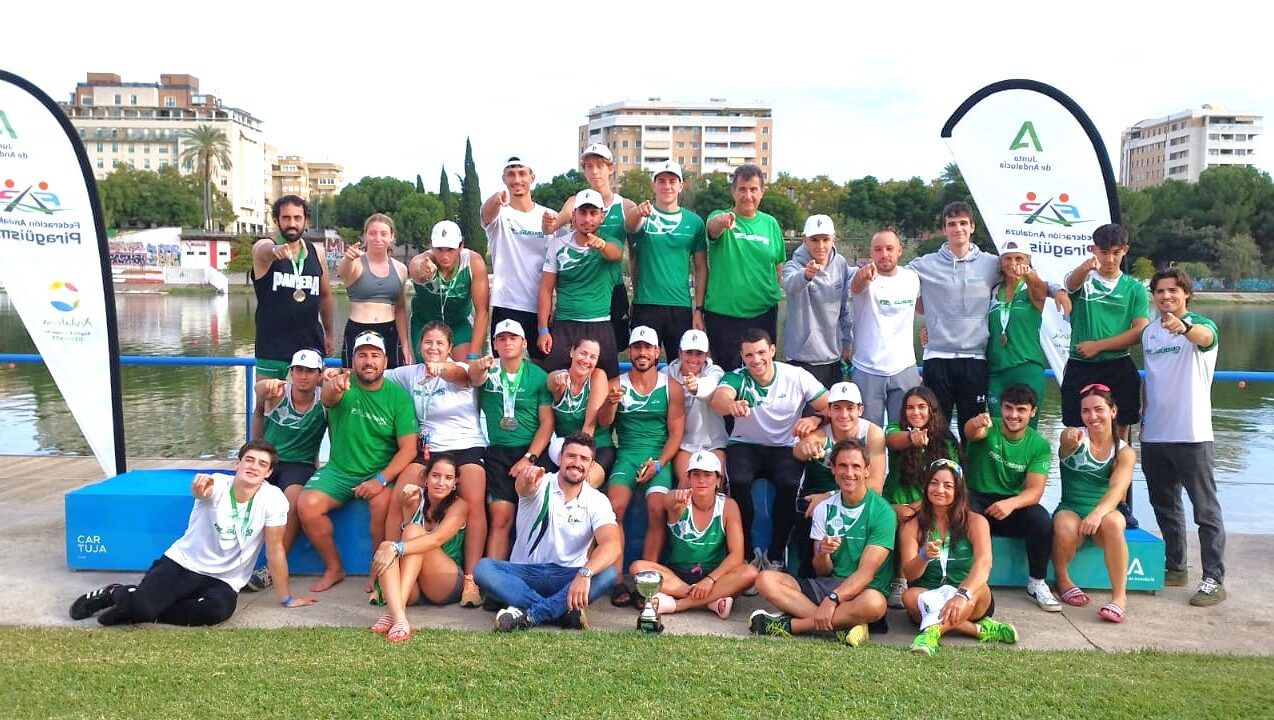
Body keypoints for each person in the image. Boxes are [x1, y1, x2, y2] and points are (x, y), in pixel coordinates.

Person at [69, 441, 315, 626]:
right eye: (249, 460)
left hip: (225, 578)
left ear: (269, 473)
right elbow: (203, 490)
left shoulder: (274, 499)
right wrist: (199, 488)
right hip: (184, 564)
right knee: (145, 606)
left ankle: (140, 608)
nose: (254, 467)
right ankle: (115, 592)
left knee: (217, 612)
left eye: (262, 464)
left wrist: (286, 598)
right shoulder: (218, 484)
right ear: (237, 464)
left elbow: (275, 549)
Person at [297, 331, 416, 592]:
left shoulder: (398, 397)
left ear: (385, 361)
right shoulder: (343, 384)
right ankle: (333, 567)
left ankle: (378, 571)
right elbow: (329, 397)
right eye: (362, 355)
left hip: (378, 472)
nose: (368, 361)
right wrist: (332, 387)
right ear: (352, 359)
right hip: (338, 470)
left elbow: (408, 449)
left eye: (375, 355)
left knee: (381, 510)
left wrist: (380, 480)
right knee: (307, 505)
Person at [748, 440, 894, 646]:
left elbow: (866, 573)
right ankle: (847, 625)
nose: (849, 473)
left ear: (867, 470)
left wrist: (833, 599)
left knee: (875, 603)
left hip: (863, 589)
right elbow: (822, 571)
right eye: (842, 466)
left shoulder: (882, 511)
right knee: (765, 580)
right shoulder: (823, 508)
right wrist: (822, 554)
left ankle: (790, 626)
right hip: (829, 585)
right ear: (832, 469)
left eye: (856, 466)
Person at [383, 322, 488, 608]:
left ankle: (470, 579)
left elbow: (464, 376)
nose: (433, 348)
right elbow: (375, 375)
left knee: (474, 500)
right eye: (428, 342)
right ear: (419, 345)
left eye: (440, 344)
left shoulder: (459, 370)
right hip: (430, 449)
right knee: (398, 495)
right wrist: (334, 376)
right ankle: (384, 567)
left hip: (465, 445)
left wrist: (442, 368)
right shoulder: (409, 374)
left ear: (449, 348)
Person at [473, 433, 622, 631]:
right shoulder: (541, 482)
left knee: (608, 574)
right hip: (526, 572)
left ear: (591, 465)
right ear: (560, 458)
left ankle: (531, 614)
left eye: (584, 459)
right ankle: (562, 611)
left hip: (568, 577)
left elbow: (612, 544)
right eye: (571, 456)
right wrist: (526, 479)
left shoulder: (597, 500)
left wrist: (585, 574)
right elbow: (524, 488)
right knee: (483, 569)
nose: (576, 463)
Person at [1141, 267, 1226, 606]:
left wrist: (1185, 326)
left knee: (1205, 510)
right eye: (1160, 291)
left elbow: (1206, 338)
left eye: (1173, 291)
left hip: (1193, 434)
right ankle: (1176, 567)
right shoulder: (1149, 333)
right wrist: (1144, 418)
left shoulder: (1202, 327)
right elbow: (1152, 379)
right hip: (1156, 435)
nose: (1166, 297)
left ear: (1186, 294)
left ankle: (1214, 578)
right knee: (1165, 505)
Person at [710, 328, 828, 571]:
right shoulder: (737, 377)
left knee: (789, 485)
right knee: (739, 481)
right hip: (745, 444)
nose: (756, 360)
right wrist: (732, 405)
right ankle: (745, 554)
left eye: (762, 352)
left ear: (773, 351)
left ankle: (776, 554)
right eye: (749, 355)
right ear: (742, 356)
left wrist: (814, 420)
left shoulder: (796, 376)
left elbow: (830, 405)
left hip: (783, 446)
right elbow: (718, 400)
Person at [598, 326, 685, 604]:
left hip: (658, 455)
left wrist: (659, 464)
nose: (642, 353)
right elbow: (604, 424)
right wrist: (610, 404)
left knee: (657, 508)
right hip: (628, 453)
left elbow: (676, 434)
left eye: (648, 348)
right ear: (630, 351)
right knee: (614, 510)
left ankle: (646, 581)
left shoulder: (671, 386)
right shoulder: (616, 383)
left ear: (657, 352)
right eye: (637, 347)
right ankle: (617, 580)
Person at [899, 459, 1017, 656]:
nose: (940, 490)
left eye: (948, 485)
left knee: (981, 587)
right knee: (908, 596)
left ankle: (932, 633)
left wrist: (961, 595)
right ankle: (979, 630)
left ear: (958, 491)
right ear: (926, 486)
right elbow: (909, 574)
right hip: (931, 593)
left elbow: (984, 562)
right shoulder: (912, 525)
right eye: (934, 483)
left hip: (967, 595)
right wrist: (923, 556)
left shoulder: (975, 521)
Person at [962, 384, 1060, 612]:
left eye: (1021, 410)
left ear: (1033, 412)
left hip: (1010, 504)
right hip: (977, 497)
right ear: (1001, 408)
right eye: (1008, 408)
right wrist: (975, 423)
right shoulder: (989, 426)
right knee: (962, 510)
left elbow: (1035, 492)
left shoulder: (1039, 445)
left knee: (1041, 519)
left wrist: (1011, 503)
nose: (1013, 415)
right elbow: (971, 432)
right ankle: (961, 577)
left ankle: (1037, 582)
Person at [908, 202, 1000, 438]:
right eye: (951, 224)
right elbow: (894, 282)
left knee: (975, 431)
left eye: (962, 223)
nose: (957, 228)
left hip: (975, 360)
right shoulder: (925, 264)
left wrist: (1058, 290)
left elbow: (1023, 271)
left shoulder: (991, 264)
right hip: (938, 358)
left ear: (972, 227)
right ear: (944, 230)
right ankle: (937, 474)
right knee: (935, 431)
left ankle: (968, 476)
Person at [629, 451, 757, 619]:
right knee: (637, 568)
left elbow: (737, 555)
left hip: (715, 576)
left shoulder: (728, 506)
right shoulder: (679, 500)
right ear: (688, 478)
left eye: (708, 475)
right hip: (678, 577)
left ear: (718, 480)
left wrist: (710, 580)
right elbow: (668, 502)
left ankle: (678, 604)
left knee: (750, 573)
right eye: (696, 475)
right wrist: (675, 498)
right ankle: (711, 600)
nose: (701, 480)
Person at [467, 319, 553, 561]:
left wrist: (529, 458)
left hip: (530, 451)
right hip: (498, 453)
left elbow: (547, 423)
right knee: (500, 518)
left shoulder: (538, 375)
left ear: (524, 343)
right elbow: (470, 377)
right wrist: (478, 365)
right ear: (494, 343)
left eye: (513, 338)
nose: (507, 343)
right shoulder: (486, 371)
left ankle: (534, 574)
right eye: (501, 338)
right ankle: (495, 583)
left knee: (536, 517)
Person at [243, 348, 328, 592]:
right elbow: (259, 395)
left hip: (299, 464)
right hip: (268, 459)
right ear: (290, 372)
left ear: (319, 375)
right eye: (298, 370)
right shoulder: (278, 392)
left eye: (310, 371)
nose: (303, 376)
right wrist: (264, 387)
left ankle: (272, 568)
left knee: (293, 502)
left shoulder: (325, 400)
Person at [1053, 384, 1135, 623]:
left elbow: (1118, 490)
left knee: (1115, 521)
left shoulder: (1124, 452)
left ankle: (1119, 597)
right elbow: (1065, 440)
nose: (1092, 416)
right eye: (1086, 411)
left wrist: (1097, 514)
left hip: (1101, 515)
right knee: (1065, 524)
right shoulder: (1074, 436)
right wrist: (1068, 437)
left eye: (1098, 409)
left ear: (1113, 410)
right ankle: (1062, 579)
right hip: (1071, 509)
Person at [1062, 223, 1149, 443]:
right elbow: (1070, 285)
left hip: (1119, 365)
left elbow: (1140, 331)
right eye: (1104, 252)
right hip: (1080, 365)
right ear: (1093, 250)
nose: (1110, 259)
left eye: (1116, 253)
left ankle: (1120, 475)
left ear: (1125, 251)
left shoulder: (1134, 288)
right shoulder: (1083, 279)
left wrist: (1099, 346)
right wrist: (1085, 268)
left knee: (1121, 430)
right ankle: (1081, 474)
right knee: (1076, 431)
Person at [367, 456, 469, 642]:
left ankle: (396, 613)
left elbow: (435, 540)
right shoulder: (415, 497)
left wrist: (396, 547)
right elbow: (405, 536)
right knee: (386, 545)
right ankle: (398, 613)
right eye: (435, 476)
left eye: (448, 478)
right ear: (426, 478)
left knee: (409, 535)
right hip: (415, 584)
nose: (441, 483)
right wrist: (408, 508)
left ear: (455, 482)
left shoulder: (459, 505)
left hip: (445, 582)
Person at [546, 143, 636, 351]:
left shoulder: (625, 205)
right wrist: (548, 221)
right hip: (580, 296)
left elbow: (634, 252)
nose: (594, 171)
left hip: (613, 291)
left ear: (610, 168)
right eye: (589, 166)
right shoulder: (574, 202)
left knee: (614, 352)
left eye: (600, 165)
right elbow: (553, 227)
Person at [792, 382, 886, 575]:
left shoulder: (872, 433)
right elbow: (800, 450)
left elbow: (875, 486)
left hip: (857, 497)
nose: (844, 415)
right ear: (828, 410)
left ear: (860, 409)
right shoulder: (819, 433)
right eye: (837, 408)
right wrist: (806, 448)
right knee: (807, 509)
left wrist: (830, 497)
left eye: (850, 408)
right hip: (815, 497)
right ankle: (806, 574)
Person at [882, 385, 961, 607]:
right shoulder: (895, 429)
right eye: (909, 408)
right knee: (904, 515)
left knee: (914, 515)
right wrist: (911, 438)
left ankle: (940, 578)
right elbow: (892, 441)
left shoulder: (945, 440)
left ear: (931, 410)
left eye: (921, 407)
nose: (915, 412)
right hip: (895, 502)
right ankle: (899, 580)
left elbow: (953, 477)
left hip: (927, 503)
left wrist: (923, 504)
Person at [702, 164, 785, 371]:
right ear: (733, 191)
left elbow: (778, 265)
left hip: (762, 315)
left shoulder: (771, 224)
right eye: (742, 189)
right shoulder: (720, 216)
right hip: (724, 316)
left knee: (761, 372)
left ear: (762, 192)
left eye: (753, 189)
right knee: (726, 375)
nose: (748, 195)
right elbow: (712, 227)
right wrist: (722, 222)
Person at [624, 160, 707, 360]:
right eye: (661, 181)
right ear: (654, 185)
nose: (667, 186)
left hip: (680, 307)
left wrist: (699, 309)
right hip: (645, 304)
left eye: (672, 181)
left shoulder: (694, 222)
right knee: (642, 365)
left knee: (680, 366)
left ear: (681, 186)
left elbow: (701, 268)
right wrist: (637, 212)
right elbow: (629, 226)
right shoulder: (643, 216)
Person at [536, 188, 623, 378]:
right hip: (565, 326)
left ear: (602, 216)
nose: (587, 219)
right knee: (553, 381)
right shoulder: (558, 245)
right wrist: (543, 330)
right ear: (573, 216)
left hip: (600, 324)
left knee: (609, 382)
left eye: (593, 213)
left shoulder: (611, 242)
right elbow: (545, 289)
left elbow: (615, 254)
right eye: (582, 213)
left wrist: (601, 245)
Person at [251, 195, 335, 380]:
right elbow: (261, 251)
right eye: (286, 218)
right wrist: (274, 252)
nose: (292, 223)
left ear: (305, 220)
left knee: (312, 406)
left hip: (310, 347)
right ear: (276, 220)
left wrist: (329, 334)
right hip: (273, 349)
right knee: (266, 405)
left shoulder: (317, 252)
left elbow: (325, 296)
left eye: (297, 218)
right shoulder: (266, 247)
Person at [848, 228, 921, 426]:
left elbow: (925, 308)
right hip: (867, 369)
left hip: (904, 368)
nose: (884, 254)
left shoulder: (912, 278)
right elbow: (856, 286)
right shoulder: (863, 276)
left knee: (907, 433)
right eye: (878, 249)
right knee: (868, 435)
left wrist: (930, 329)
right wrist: (863, 276)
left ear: (899, 250)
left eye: (889, 248)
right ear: (871, 253)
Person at [482, 156, 552, 360]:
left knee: (543, 368)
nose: (517, 179)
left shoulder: (548, 216)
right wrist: (496, 199)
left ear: (532, 177)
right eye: (511, 174)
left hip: (540, 308)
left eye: (522, 173)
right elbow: (486, 214)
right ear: (504, 178)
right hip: (507, 305)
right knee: (502, 369)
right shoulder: (499, 215)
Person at [781, 214, 853, 387]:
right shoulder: (793, 266)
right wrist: (806, 274)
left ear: (833, 239)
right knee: (805, 415)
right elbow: (790, 285)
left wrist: (847, 342)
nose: (821, 246)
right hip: (800, 359)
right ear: (805, 240)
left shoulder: (841, 264)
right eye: (814, 240)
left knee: (831, 413)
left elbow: (844, 308)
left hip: (832, 357)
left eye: (825, 239)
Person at [407, 220, 490, 362]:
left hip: (458, 323)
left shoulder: (473, 263)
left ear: (461, 246)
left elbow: (482, 311)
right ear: (431, 246)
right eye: (439, 249)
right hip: (425, 324)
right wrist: (423, 271)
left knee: (465, 372)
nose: (445, 256)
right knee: (428, 374)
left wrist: (474, 354)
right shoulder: (423, 260)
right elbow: (415, 267)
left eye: (450, 249)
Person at [986, 240, 1048, 427]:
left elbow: (1042, 291)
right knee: (998, 427)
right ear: (1001, 262)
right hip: (996, 370)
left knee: (1026, 428)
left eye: (1019, 258)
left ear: (1028, 261)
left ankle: (1031, 458)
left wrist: (1028, 274)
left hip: (1026, 366)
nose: (1013, 263)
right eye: (1008, 259)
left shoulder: (1030, 288)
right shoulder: (994, 290)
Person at [338, 213, 411, 368]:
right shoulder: (356, 263)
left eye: (383, 234)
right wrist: (348, 258)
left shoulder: (401, 269)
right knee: (353, 381)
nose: (378, 238)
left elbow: (400, 309)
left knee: (391, 380)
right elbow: (344, 272)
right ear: (365, 236)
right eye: (372, 233)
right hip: (358, 330)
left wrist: (404, 344)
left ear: (392, 236)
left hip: (390, 331)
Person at [546, 336, 614, 489]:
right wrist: (554, 379)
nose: (587, 360)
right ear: (572, 352)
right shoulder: (560, 379)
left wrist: (583, 460)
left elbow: (589, 426)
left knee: (581, 483)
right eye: (583, 353)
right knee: (543, 482)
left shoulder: (598, 376)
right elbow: (550, 382)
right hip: (563, 448)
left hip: (595, 446)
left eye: (593, 357)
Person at [665, 329, 728, 487]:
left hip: (714, 443)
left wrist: (695, 387)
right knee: (685, 486)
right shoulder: (665, 374)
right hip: (683, 446)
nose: (693, 358)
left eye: (699, 354)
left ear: (706, 355)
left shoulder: (715, 372)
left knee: (715, 487)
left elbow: (710, 386)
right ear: (680, 353)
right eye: (689, 352)